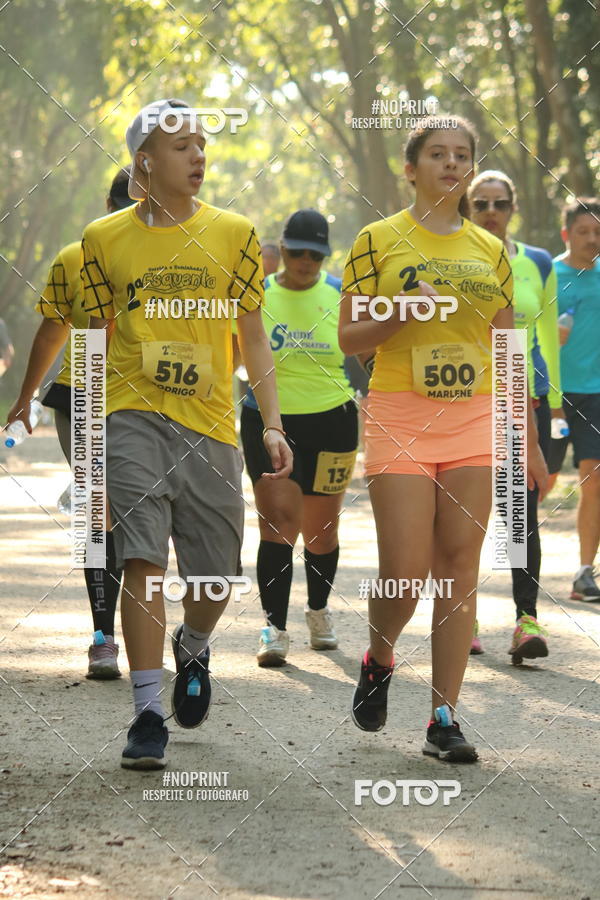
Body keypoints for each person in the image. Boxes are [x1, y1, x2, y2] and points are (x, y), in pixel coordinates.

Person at [82, 98, 291, 769]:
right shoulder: (104, 239)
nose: (198, 155)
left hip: (209, 422)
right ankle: (147, 714)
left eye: (202, 143)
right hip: (131, 413)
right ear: (144, 159)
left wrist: (274, 423)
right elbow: (92, 343)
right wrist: (90, 439)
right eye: (181, 146)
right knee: (141, 557)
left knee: (215, 575)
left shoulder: (234, 234)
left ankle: (194, 644)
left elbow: (253, 337)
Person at [339, 116, 548, 761]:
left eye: (462, 155)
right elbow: (349, 338)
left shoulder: (492, 252)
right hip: (401, 416)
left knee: (460, 567)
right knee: (405, 573)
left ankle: (443, 719)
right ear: (411, 167)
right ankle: (379, 654)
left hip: (474, 421)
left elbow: (509, 351)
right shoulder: (377, 241)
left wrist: (530, 441)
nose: (452, 165)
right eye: (438, 155)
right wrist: (400, 311)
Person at [5, 168, 135, 679]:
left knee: (142, 514)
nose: (130, 216)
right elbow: (52, 330)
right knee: (95, 509)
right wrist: (23, 399)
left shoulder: (179, 256)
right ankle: (104, 635)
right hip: (82, 392)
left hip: (153, 400)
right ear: (107, 203)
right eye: (122, 205)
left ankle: (152, 622)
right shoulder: (75, 258)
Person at [240, 209, 358, 666]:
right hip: (269, 421)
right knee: (278, 523)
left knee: (321, 532)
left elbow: (366, 355)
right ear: (282, 249)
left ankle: (318, 611)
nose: (307, 261)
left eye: (316, 254)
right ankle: (274, 627)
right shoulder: (257, 295)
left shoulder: (340, 295)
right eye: (298, 252)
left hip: (333, 421)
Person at [468, 170, 561, 663]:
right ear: (467, 208)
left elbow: (543, 335)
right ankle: (464, 615)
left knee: (519, 514)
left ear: (512, 208)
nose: (490, 212)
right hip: (466, 398)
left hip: (523, 399)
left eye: (499, 203)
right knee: (467, 514)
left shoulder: (538, 263)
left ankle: (526, 620)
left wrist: (556, 408)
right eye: (479, 203)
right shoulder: (454, 258)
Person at [553, 198, 600, 601]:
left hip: (595, 392)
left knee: (594, 479)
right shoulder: (548, 273)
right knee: (541, 480)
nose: (591, 239)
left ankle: (585, 573)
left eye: (597, 232)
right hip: (550, 393)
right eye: (582, 231)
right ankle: (517, 564)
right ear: (567, 234)